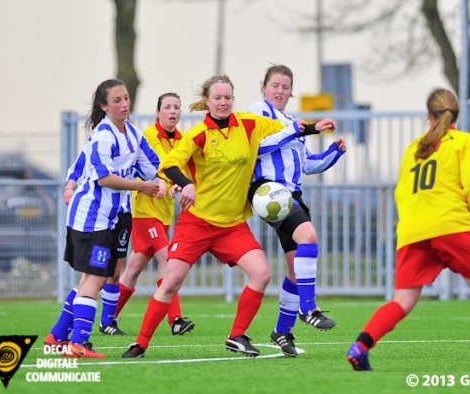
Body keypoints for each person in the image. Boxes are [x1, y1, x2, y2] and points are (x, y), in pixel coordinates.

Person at [122, 74, 324, 359]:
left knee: (262, 274)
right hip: (197, 223)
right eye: (217, 98)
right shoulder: (198, 134)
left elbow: (288, 128)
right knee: (170, 282)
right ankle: (140, 344)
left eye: (228, 97)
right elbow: (169, 164)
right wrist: (188, 183)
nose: (223, 102)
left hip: (232, 226)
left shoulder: (249, 124)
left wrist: (315, 128)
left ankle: (237, 336)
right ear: (207, 101)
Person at [346, 88, 470, 372]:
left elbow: (401, 192)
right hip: (452, 225)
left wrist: (414, 222)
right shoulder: (465, 141)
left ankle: (361, 346)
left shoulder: (414, 147)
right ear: (456, 115)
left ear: (428, 115)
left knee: (402, 300)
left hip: (413, 229)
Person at [44, 79, 164, 358]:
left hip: (110, 219)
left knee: (90, 278)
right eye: (117, 101)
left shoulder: (133, 133)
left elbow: (154, 165)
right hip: (91, 219)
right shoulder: (102, 135)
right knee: (96, 281)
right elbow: (105, 179)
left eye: (126, 98)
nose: (124, 105)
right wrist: (143, 187)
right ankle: (78, 344)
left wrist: (168, 181)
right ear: (104, 106)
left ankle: (57, 336)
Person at [246, 64, 346, 357]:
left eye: (285, 87)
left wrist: (334, 153)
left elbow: (307, 165)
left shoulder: (294, 122)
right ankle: (309, 307)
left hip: (292, 195)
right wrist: (295, 130)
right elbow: (256, 148)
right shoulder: (257, 111)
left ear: (291, 92)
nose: (280, 91)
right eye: (275, 85)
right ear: (264, 87)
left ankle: (282, 331)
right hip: (269, 191)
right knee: (309, 237)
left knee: (295, 268)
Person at [115, 92, 195, 336]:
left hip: (165, 213)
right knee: (169, 261)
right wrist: (168, 182)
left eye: (177, 107)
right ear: (158, 112)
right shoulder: (148, 136)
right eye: (168, 107)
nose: (173, 111)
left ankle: (109, 317)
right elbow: (152, 168)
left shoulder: (183, 140)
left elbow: (184, 174)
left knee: (134, 269)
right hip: (144, 211)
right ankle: (176, 320)